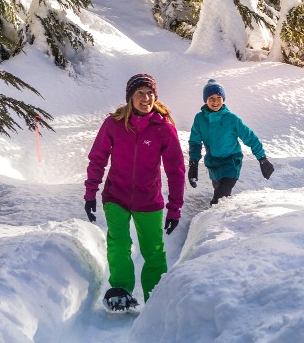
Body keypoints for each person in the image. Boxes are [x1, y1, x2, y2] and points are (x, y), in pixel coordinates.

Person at [84, 73, 185, 312]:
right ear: (130, 97)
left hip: (148, 199)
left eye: (150, 93)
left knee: (154, 250)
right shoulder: (114, 124)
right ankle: (120, 290)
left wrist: (174, 208)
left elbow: (176, 170)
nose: (146, 98)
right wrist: (90, 193)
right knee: (118, 243)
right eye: (140, 93)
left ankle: (155, 297)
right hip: (115, 196)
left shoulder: (163, 128)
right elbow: (97, 158)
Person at [188, 79, 274, 205]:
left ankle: (213, 222)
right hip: (213, 164)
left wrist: (262, 159)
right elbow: (195, 142)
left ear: (223, 99)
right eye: (211, 98)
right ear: (205, 100)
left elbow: (250, 138)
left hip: (231, 162)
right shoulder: (200, 119)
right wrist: (193, 163)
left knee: (219, 199)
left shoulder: (231, 119)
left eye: (218, 97)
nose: (215, 101)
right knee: (220, 193)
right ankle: (226, 218)